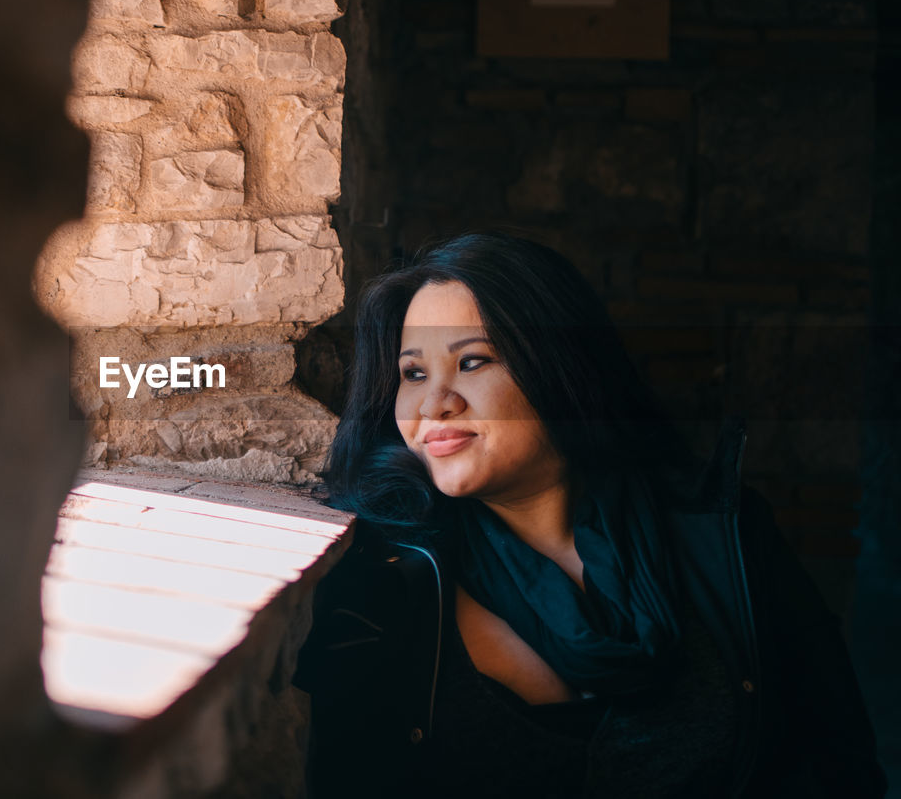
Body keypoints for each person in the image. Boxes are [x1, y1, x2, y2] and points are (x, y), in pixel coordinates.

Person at [294, 233, 886, 798]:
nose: (433, 402)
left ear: (559, 365)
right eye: (413, 373)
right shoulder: (382, 577)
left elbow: (836, 759)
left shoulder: (721, 527)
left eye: (472, 362)